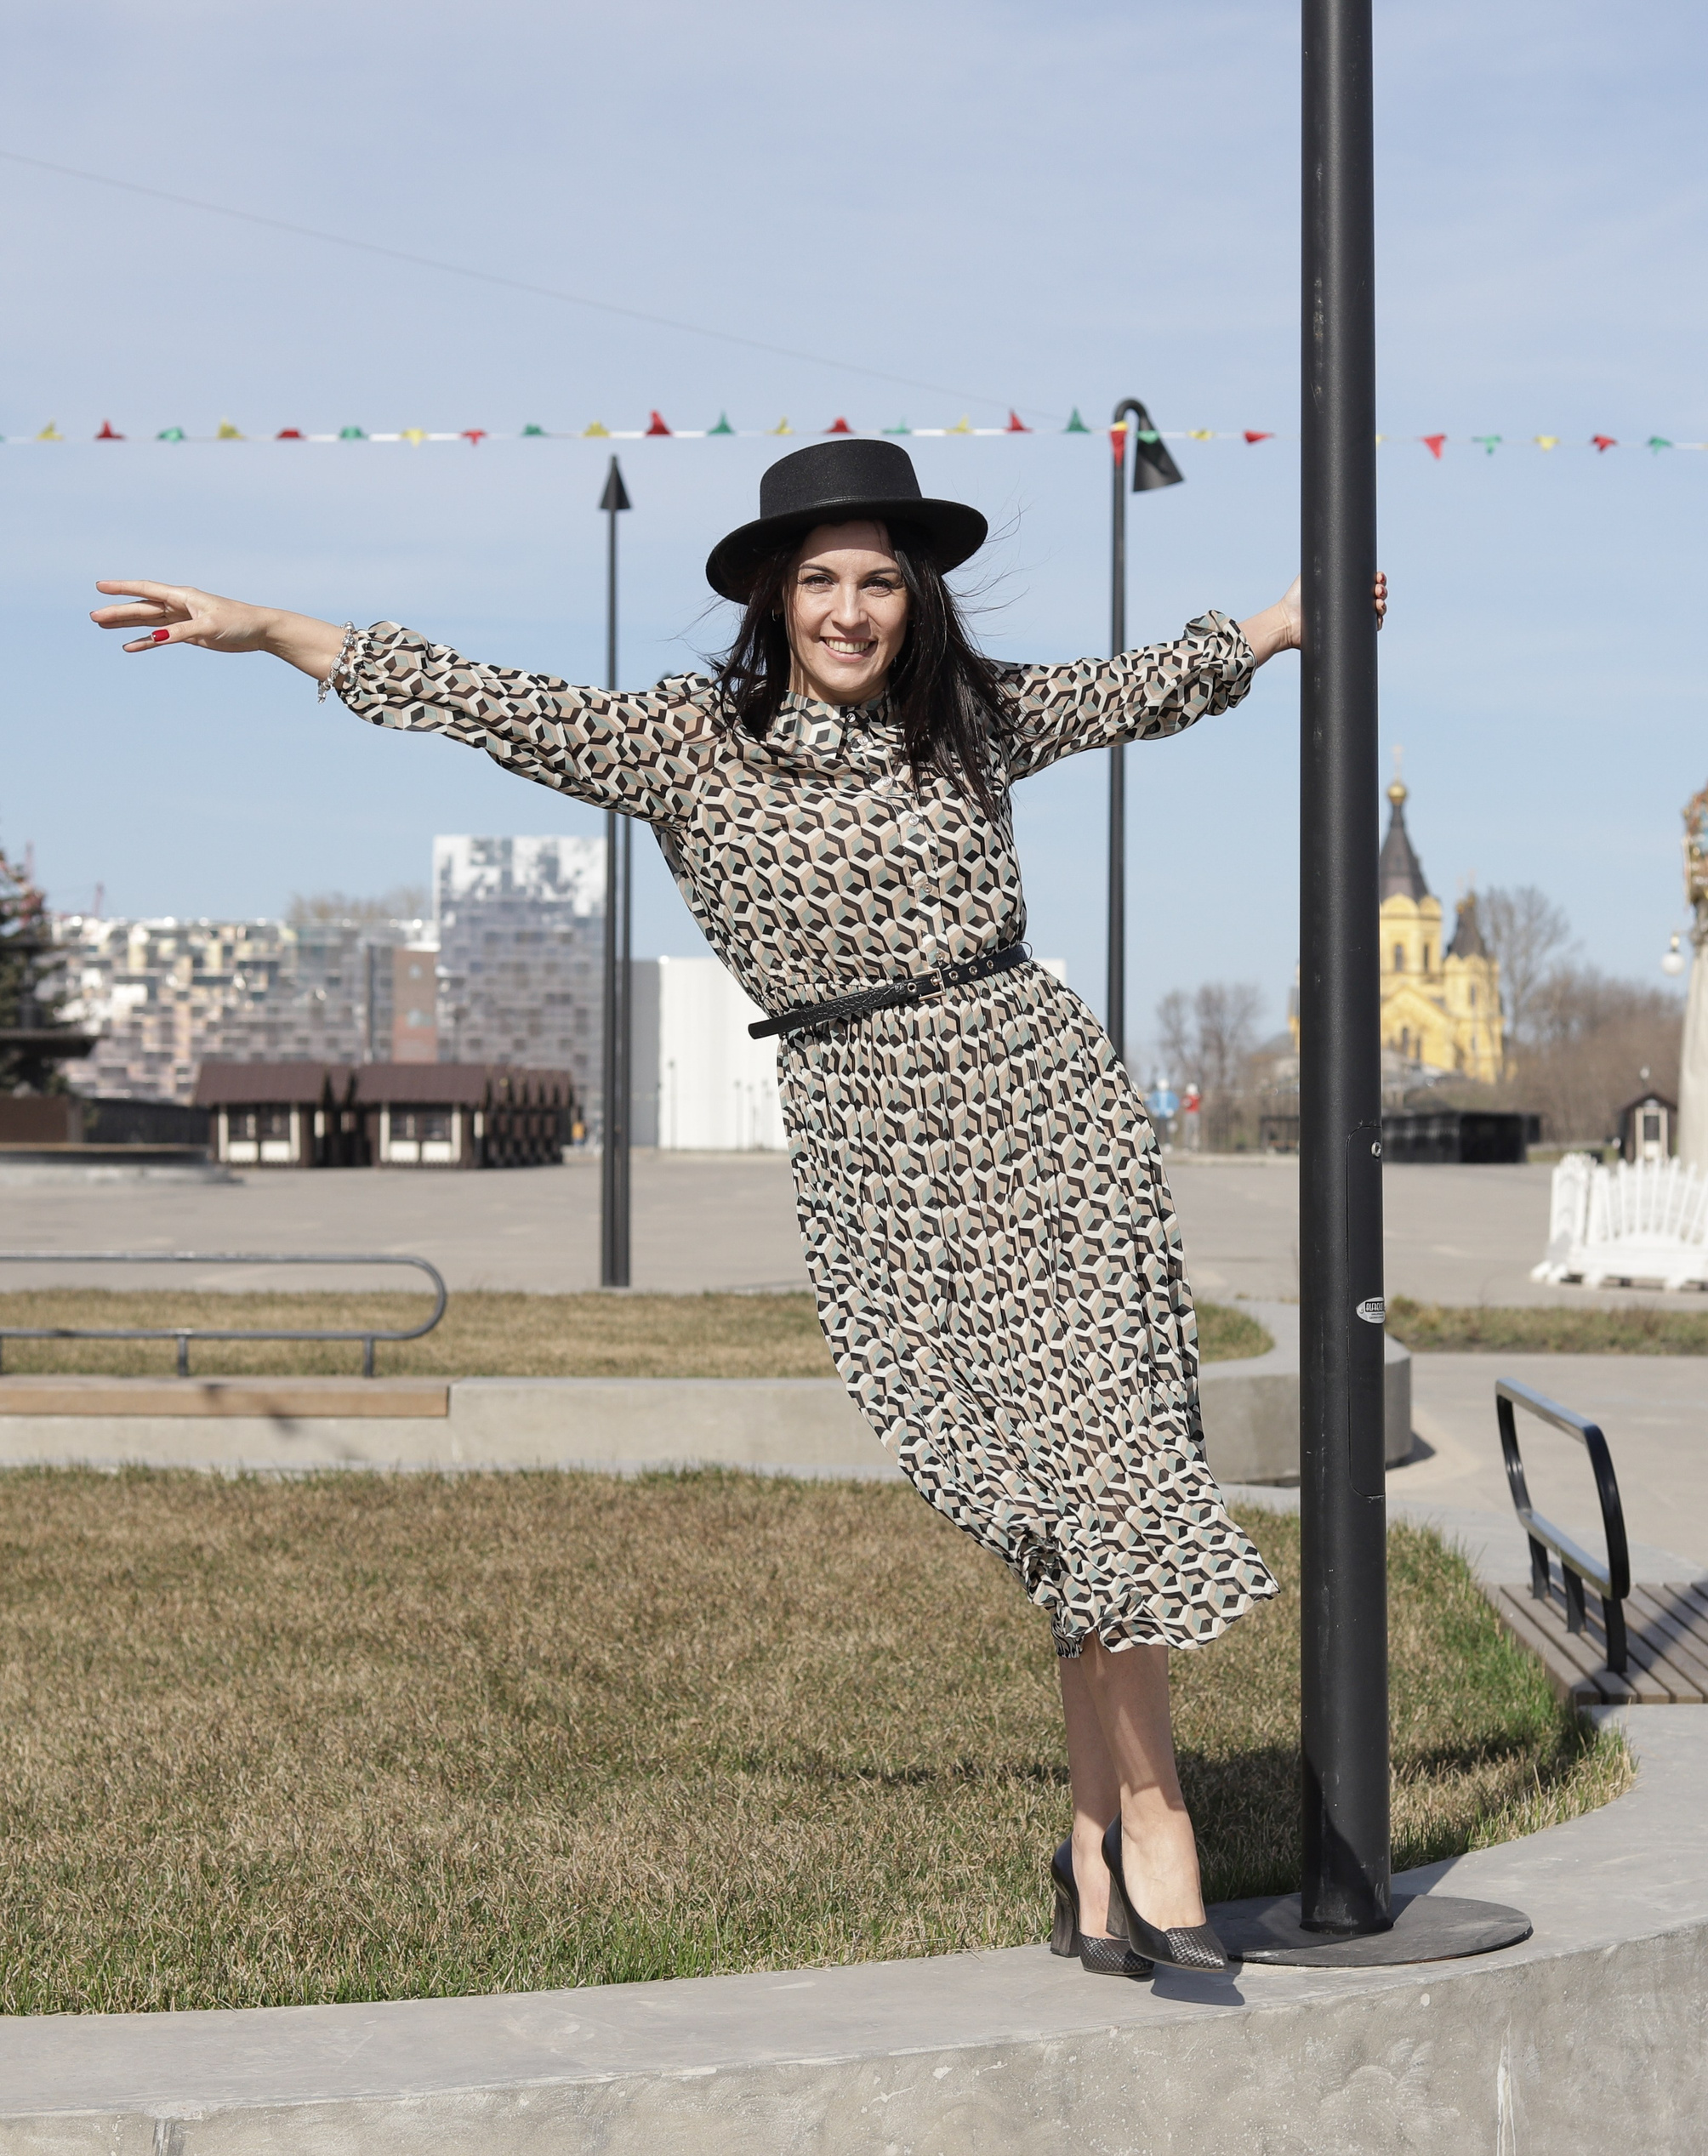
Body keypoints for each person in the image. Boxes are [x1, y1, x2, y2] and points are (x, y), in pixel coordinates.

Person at [89, 436, 1386, 1977]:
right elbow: (478, 698)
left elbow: (1141, 688)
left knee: (1111, 1468)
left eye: (880, 582)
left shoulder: (965, 721)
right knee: (1044, 1496)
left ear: (914, 598)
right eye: (822, 581)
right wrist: (267, 630)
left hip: (1048, 1115)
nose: (851, 611)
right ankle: (1094, 1839)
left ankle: (1151, 1834)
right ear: (774, 597)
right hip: (877, 1148)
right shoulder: (689, 745)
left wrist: (1277, 626)